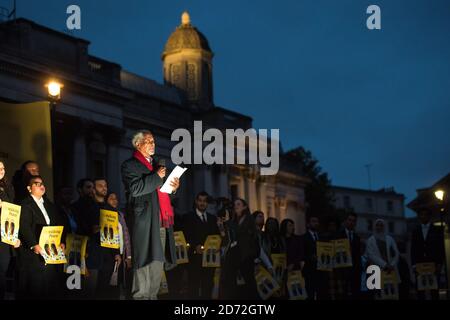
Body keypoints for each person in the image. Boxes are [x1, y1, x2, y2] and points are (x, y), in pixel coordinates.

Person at [121, 130, 180, 300]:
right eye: (148, 141)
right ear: (138, 144)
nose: (153, 144)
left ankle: (152, 297)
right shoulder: (129, 165)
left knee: (156, 264)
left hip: (161, 221)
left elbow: (163, 192)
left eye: (153, 141)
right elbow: (135, 189)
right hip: (144, 221)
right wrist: (156, 176)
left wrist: (173, 186)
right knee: (143, 262)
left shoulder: (157, 166)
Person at [16, 175, 65, 299]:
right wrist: (33, 244)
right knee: (35, 288)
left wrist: (61, 242)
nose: (41, 186)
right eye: (37, 184)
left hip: (50, 252)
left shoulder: (49, 204)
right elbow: (24, 226)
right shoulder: (25, 204)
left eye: (42, 184)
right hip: (33, 254)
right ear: (29, 188)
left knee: (49, 288)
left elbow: (57, 225)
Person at [87, 178, 121, 300]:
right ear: (94, 189)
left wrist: (117, 253)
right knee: (92, 289)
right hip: (93, 252)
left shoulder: (111, 209)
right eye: (100, 185)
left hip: (108, 254)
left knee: (106, 288)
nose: (104, 188)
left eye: (105, 185)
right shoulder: (88, 207)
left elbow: (115, 232)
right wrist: (91, 230)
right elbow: (81, 228)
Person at [183, 191, 220, 299]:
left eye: (204, 201)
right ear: (196, 201)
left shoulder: (213, 218)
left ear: (207, 203)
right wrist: (194, 246)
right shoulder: (188, 217)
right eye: (200, 201)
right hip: (194, 259)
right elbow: (185, 235)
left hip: (210, 259)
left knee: (208, 287)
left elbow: (216, 236)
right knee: (193, 288)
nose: (202, 203)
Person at [221, 198, 259, 300]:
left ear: (245, 207)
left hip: (246, 256)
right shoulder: (235, 220)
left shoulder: (248, 219)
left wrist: (229, 222)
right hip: (237, 256)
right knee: (240, 285)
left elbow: (241, 232)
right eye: (235, 204)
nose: (236, 206)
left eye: (238, 204)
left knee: (250, 283)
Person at [410, 208, 444, 300]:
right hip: (419, 264)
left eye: (425, 214)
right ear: (419, 217)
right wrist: (413, 265)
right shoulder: (415, 231)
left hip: (433, 264)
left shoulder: (437, 230)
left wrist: (440, 264)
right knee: (420, 290)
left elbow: (440, 247)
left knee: (434, 290)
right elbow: (413, 249)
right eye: (421, 214)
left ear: (429, 216)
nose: (423, 216)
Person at [106, 191, 132, 299]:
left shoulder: (120, 215)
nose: (115, 200)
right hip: (111, 254)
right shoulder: (106, 214)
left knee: (120, 283)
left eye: (116, 198)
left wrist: (129, 256)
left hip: (122, 253)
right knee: (111, 283)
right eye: (111, 198)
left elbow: (126, 236)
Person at [365, 219, 401, 298]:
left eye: (381, 225)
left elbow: (396, 253)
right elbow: (371, 255)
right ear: (374, 227)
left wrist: (392, 265)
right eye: (377, 225)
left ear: (384, 227)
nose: (379, 227)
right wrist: (384, 265)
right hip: (377, 271)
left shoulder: (390, 239)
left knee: (392, 293)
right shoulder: (370, 240)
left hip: (391, 271)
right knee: (379, 294)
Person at [0, 160, 19, 300]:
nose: (1, 170)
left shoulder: (8, 188)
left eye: (3, 168)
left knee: (4, 272)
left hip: (5, 237)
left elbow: (13, 213)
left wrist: (14, 236)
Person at [334, 212, 362, 300]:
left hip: (355, 271)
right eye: (349, 220)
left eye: (354, 221)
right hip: (341, 270)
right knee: (342, 295)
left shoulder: (357, 237)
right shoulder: (338, 235)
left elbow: (358, 255)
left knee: (354, 294)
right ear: (346, 221)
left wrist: (359, 270)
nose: (351, 222)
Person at [301, 214, 328, 300]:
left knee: (322, 294)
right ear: (308, 224)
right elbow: (301, 255)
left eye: (317, 221)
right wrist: (310, 257)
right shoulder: (304, 238)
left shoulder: (322, 237)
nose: (316, 223)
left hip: (322, 271)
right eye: (313, 221)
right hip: (310, 271)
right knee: (310, 294)